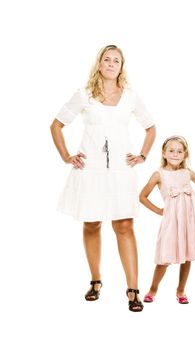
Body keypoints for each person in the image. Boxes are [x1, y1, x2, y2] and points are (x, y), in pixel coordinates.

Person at [50, 44, 156, 312]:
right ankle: (96, 280)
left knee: (124, 226)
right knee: (92, 224)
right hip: (91, 170)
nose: (111, 64)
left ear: (122, 66)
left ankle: (133, 289)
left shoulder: (130, 96)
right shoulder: (84, 94)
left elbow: (151, 127)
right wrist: (66, 156)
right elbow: (57, 125)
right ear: (99, 64)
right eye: (106, 59)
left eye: (116, 60)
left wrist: (142, 155)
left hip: (121, 171)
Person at [139, 135, 195, 304]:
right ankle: (153, 289)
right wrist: (160, 211)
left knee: (188, 255)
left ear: (185, 155)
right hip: (172, 222)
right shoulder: (159, 175)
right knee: (165, 257)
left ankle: (181, 290)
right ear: (164, 153)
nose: (175, 154)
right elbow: (142, 197)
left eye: (179, 151)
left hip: (189, 222)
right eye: (171, 151)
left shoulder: (188, 173)